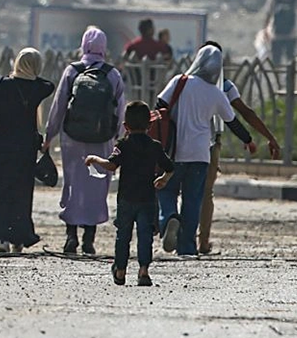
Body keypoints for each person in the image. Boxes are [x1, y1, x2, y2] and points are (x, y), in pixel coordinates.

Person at [43, 28, 125, 255]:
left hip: (73, 138)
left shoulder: (72, 71)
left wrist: (49, 135)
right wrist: (119, 139)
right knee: (97, 186)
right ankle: (89, 239)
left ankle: (71, 237)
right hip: (103, 139)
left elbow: (59, 105)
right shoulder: (112, 74)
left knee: (73, 184)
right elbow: (121, 110)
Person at [189, 41, 275, 254]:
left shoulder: (184, 83)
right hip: (211, 144)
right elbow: (244, 114)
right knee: (206, 192)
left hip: (185, 142)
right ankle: (203, 242)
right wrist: (266, 138)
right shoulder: (224, 87)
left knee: (189, 192)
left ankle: (184, 237)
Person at [155, 45, 240, 256]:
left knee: (166, 190)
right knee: (193, 200)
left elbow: (159, 103)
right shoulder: (216, 93)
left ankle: (169, 218)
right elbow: (232, 121)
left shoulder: (180, 82)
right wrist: (249, 141)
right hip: (201, 154)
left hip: (174, 151)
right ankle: (187, 247)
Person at [0, 48, 54, 254]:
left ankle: (1, 238)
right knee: (20, 193)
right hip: (25, 147)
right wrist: (31, 75)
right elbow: (49, 85)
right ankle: (19, 237)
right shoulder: (38, 88)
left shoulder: (2, 84)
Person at [86, 101, 174, 287]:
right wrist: (163, 180)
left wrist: (95, 159)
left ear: (125, 126)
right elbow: (170, 168)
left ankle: (120, 270)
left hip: (126, 198)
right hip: (148, 199)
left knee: (123, 236)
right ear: (150, 125)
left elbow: (111, 165)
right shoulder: (155, 146)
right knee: (145, 236)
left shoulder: (123, 145)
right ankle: (143, 271)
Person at [264, 0, 297, 65]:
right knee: (291, 59)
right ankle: (289, 78)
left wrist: (265, 29)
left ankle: (277, 77)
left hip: (276, 33)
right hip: (292, 33)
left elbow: (268, 13)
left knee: (276, 59)